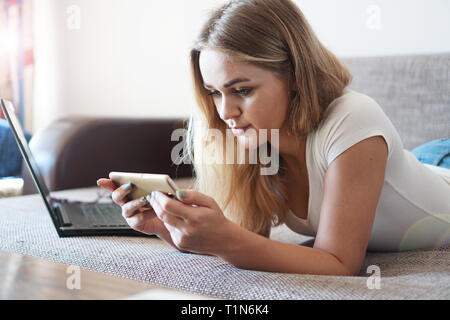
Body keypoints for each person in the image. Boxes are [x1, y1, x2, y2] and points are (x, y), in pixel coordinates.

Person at [97, 0, 450, 276]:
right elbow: (250, 241)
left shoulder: (353, 118)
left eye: (242, 90)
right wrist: (167, 228)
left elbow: (341, 264)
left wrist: (227, 240)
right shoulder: (257, 142)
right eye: (215, 93)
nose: (224, 112)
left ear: (295, 74)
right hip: (416, 165)